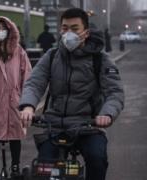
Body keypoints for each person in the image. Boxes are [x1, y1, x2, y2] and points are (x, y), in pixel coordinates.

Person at [19, 8, 124, 180]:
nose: (69, 33)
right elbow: (34, 83)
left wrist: (106, 114)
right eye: (65, 28)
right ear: (60, 30)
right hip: (54, 125)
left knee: (97, 159)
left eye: (75, 29)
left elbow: (114, 92)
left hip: (87, 126)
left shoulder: (100, 59)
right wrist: (28, 106)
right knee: (43, 169)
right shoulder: (52, 56)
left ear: (86, 32)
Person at [0, 16, 32, 178]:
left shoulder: (19, 52)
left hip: (14, 99)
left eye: (3, 28)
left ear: (10, 31)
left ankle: (15, 166)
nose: (0, 31)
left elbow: (27, 75)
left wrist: (26, 101)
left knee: (15, 134)